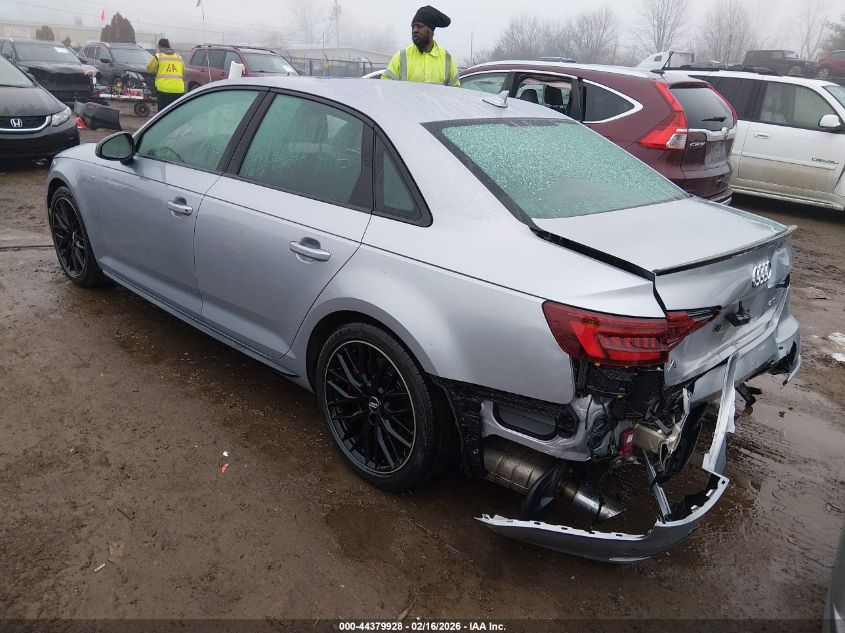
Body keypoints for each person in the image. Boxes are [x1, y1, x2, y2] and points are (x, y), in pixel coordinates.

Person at [382, 6, 460, 87]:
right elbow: (386, 87)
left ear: (431, 30)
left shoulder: (447, 58)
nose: (415, 30)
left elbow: (455, 92)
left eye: (419, 26)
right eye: (413, 26)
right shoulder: (401, 56)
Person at [146, 38, 185, 112]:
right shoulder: (178, 57)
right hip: (178, 90)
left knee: (163, 113)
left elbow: (149, 68)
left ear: (159, 46)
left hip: (163, 90)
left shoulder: (158, 56)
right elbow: (183, 71)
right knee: (175, 112)